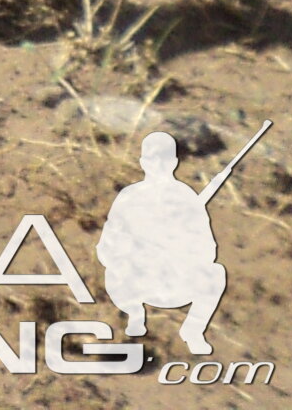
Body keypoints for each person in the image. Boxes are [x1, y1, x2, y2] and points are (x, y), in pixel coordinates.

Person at [96, 133, 229, 357]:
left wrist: (178, 247)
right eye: (152, 159)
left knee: (216, 273)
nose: (157, 166)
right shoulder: (129, 196)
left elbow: (208, 250)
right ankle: (134, 314)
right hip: (135, 281)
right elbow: (107, 246)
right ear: (143, 162)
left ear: (174, 163)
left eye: (164, 160)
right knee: (115, 270)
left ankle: (193, 330)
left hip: (174, 280)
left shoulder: (186, 198)